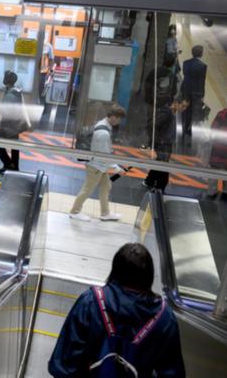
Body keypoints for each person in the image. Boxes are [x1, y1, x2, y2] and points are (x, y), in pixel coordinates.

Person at [49, 243, 185, 377]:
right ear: (149, 276)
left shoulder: (90, 302)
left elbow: (64, 365)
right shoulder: (164, 317)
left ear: (115, 270)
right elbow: (172, 372)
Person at [69, 105, 127, 222]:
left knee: (106, 187)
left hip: (100, 166)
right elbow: (104, 154)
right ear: (114, 117)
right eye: (119, 118)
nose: (119, 121)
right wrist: (117, 168)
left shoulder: (103, 123)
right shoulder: (103, 133)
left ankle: (105, 213)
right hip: (96, 166)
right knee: (87, 189)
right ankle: (74, 212)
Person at [0, 70, 30, 173]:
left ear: (6, 80)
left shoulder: (11, 93)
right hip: (14, 123)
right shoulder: (14, 90)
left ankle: (9, 164)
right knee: (14, 145)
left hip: (8, 124)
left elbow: (7, 110)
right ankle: (14, 166)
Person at [143, 101, 181, 192]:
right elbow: (152, 126)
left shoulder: (170, 113)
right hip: (163, 145)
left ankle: (150, 181)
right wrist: (158, 141)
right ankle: (157, 185)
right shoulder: (166, 113)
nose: (183, 109)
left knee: (161, 164)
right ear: (175, 103)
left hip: (164, 144)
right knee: (162, 165)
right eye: (182, 106)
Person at [179, 45, 207, 146]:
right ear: (201, 54)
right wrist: (202, 95)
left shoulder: (186, 63)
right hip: (196, 93)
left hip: (185, 90)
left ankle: (182, 131)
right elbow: (201, 82)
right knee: (193, 114)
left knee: (184, 111)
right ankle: (189, 132)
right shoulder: (203, 66)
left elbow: (186, 77)